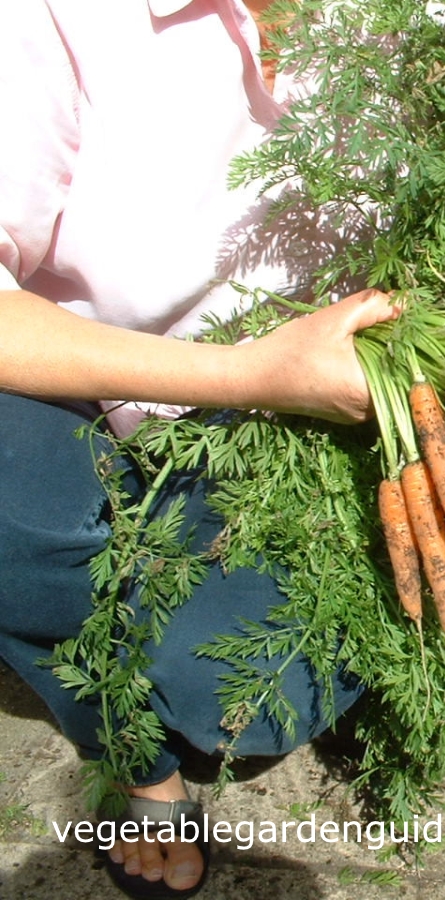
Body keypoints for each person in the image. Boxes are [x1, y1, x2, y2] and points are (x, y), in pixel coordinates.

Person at [0, 1, 396, 896]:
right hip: (91, 387)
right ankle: (137, 761)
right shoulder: (50, 17)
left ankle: (150, 653)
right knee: (17, 518)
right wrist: (255, 371)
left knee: (225, 696)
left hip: (311, 419)